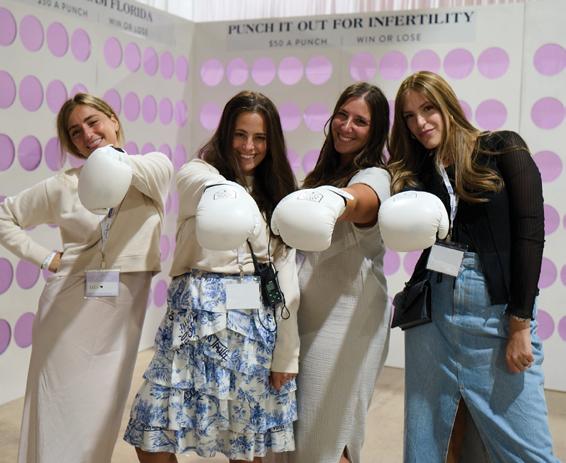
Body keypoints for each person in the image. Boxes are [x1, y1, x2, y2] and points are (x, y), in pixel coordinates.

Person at [386, 71, 559, 462]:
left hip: (495, 315)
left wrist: (520, 324)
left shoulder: (502, 148)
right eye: (409, 116)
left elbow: (530, 235)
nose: (420, 123)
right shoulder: (419, 171)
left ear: (448, 105)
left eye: (428, 109)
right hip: (432, 316)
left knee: (529, 451)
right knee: (424, 445)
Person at [124, 90, 300, 463]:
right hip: (191, 323)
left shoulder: (279, 193)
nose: (248, 147)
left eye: (260, 137)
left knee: (244, 444)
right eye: (240, 134)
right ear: (225, 133)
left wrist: (287, 353)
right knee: (152, 431)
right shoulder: (198, 174)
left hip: (251, 328)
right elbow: (216, 196)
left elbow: (286, 280)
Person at [0, 93, 173, 463]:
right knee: (56, 409)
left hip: (119, 313)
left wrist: (107, 159)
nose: (87, 134)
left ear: (113, 120)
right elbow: (5, 216)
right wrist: (46, 257)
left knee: (98, 420)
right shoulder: (64, 185)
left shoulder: (151, 168)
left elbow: (136, 169)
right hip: (68, 307)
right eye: (75, 132)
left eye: (93, 122)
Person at [269, 82, 392, 463]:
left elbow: (361, 202)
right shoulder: (320, 176)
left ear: (375, 131)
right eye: (342, 115)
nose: (346, 126)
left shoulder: (375, 176)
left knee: (328, 434)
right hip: (306, 316)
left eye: (360, 121)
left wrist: (337, 201)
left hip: (348, 320)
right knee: (298, 433)